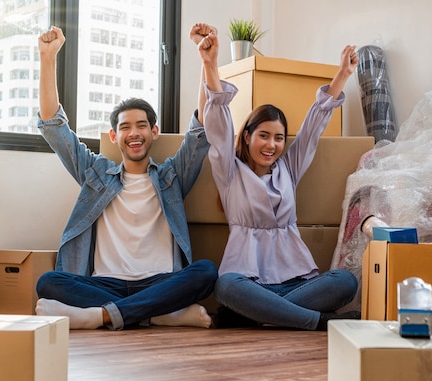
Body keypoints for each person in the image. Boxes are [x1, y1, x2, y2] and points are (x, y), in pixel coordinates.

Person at [34, 25, 218, 330]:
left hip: (161, 283)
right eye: (125, 127)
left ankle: (100, 316)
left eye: (142, 125)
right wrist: (47, 57)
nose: (134, 133)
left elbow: (200, 131)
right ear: (114, 135)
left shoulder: (172, 176)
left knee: (206, 271)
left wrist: (206, 62)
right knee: (49, 281)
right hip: (105, 284)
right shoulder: (95, 173)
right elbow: (55, 129)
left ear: (154, 132)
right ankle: (156, 315)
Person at [195, 25, 360, 331]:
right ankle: (316, 322)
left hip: (297, 284)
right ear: (246, 137)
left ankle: (261, 316)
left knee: (346, 281)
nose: (271, 145)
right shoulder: (229, 172)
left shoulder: (289, 169)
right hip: (249, 283)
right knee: (226, 285)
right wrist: (209, 64)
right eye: (264, 135)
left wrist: (343, 74)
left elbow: (314, 126)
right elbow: (216, 125)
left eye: (279, 138)